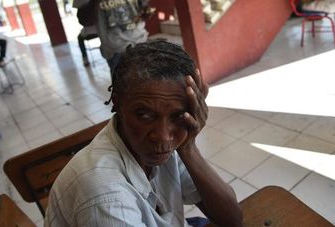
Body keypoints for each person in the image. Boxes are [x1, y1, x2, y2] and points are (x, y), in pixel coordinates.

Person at [45, 41, 243, 227]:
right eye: (145, 115)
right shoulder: (104, 194)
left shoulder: (170, 145)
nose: (163, 137)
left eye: (178, 116)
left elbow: (232, 218)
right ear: (117, 102)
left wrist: (188, 147)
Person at [72, 0, 149, 76]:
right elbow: (83, 20)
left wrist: (144, 5)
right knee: (127, 89)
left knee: (150, 86)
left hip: (142, 41)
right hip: (117, 50)